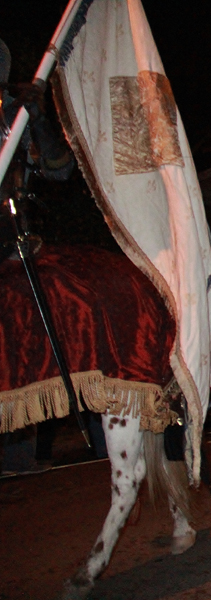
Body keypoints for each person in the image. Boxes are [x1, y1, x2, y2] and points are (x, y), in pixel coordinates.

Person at [1, 38, 75, 475]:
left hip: (11, 239)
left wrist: (38, 116)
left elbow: (59, 167)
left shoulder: (17, 114)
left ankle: (19, 446)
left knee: (22, 339)